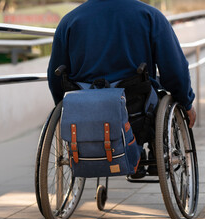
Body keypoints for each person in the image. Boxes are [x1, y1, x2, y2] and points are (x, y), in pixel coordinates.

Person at [47, 0, 196, 128]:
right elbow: (175, 70)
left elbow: (56, 78)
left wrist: (64, 108)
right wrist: (186, 102)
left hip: (84, 110)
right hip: (136, 112)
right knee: (155, 90)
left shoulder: (69, 22)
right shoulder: (150, 16)